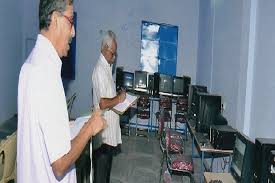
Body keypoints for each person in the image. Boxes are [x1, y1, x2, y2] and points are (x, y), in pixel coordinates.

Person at [17, 0, 107, 182]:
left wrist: (74, 126)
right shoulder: (46, 73)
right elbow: (60, 164)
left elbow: (44, 132)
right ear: (56, 19)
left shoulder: (31, 65)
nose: (73, 32)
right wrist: (90, 128)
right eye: (71, 22)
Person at [92, 30, 126, 183]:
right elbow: (103, 103)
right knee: (100, 175)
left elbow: (108, 96)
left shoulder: (106, 68)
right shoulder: (100, 70)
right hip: (102, 134)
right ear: (105, 49)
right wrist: (118, 98)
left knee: (106, 175)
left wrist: (118, 96)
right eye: (113, 54)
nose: (114, 58)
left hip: (109, 132)